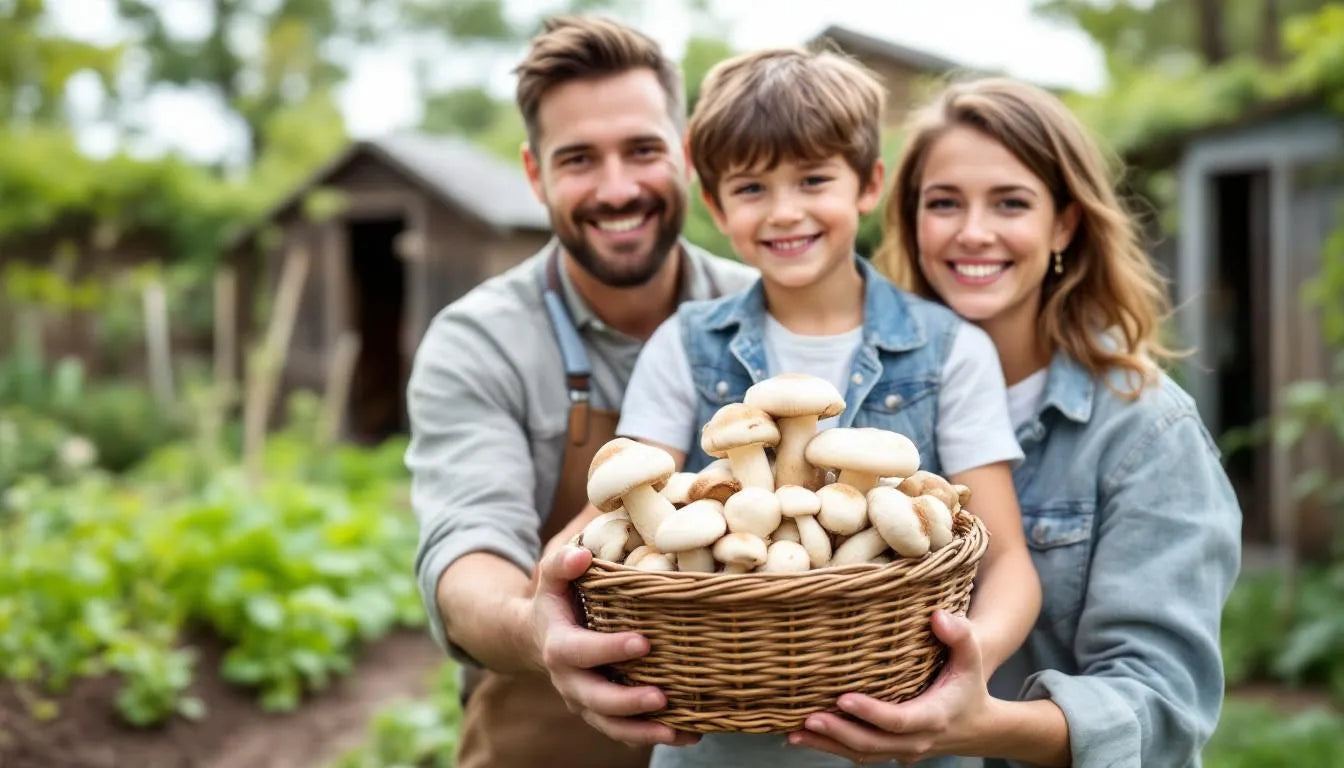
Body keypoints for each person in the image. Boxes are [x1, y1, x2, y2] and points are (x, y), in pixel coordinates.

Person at [595, 48, 1043, 768]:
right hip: (720, 746)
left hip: (911, 748)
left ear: (868, 185)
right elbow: (617, 517)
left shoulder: (949, 347)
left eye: (813, 179)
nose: (785, 212)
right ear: (713, 203)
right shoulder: (683, 345)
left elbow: (1007, 557)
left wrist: (967, 668)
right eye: (750, 188)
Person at [789, 77, 1242, 767]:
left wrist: (981, 725)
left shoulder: (1144, 432)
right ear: (911, 220)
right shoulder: (855, 406)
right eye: (944, 203)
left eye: (1010, 203)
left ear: (1063, 223)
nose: (974, 232)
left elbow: (1165, 708)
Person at [404, 16, 755, 768]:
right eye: (579, 160)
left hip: (749, 740)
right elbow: (467, 553)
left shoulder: (767, 315)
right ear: (535, 175)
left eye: (642, 150)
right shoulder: (481, 341)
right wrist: (538, 628)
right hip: (546, 738)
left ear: (686, 155)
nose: (617, 188)